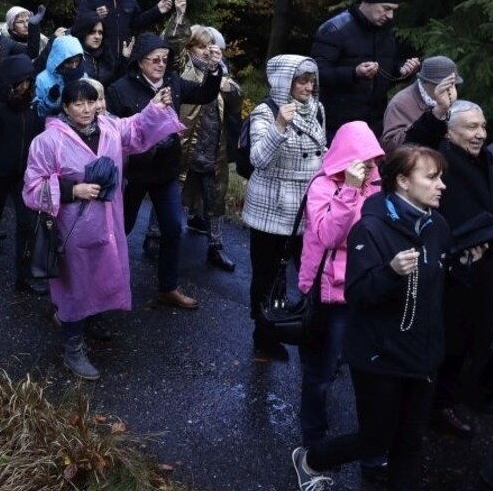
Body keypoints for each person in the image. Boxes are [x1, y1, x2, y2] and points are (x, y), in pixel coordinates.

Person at [291, 145, 485, 491]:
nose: (442, 185)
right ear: (401, 181)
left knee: (410, 441)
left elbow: (438, 283)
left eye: (440, 177)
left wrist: (464, 265)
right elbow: (358, 293)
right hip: (378, 356)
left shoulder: (436, 225)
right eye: (432, 177)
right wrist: (391, 272)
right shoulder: (372, 228)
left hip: (423, 356)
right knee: (375, 440)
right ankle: (311, 459)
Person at [24, 80, 185, 380]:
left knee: (101, 274)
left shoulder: (109, 128)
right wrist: (74, 190)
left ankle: (93, 320)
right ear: (66, 107)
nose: (86, 109)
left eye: (91, 101)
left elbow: (136, 129)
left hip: (108, 222)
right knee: (74, 286)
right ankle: (73, 346)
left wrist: (155, 107)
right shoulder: (48, 142)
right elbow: (33, 188)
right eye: (78, 104)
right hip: (72, 228)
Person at [106, 33, 222, 310]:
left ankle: (167, 287)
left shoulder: (172, 82)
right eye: (155, 60)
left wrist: (214, 70)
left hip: (166, 170)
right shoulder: (120, 89)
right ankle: (107, 285)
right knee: (120, 229)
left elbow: (205, 94)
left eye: (165, 59)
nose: (161, 64)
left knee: (173, 228)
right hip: (134, 172)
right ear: (140, 61)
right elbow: (112, 133)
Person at [403, 91, 493, 439]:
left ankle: (452, 399)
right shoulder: (439, 161)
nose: (480, 133)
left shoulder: (484, 159)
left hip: (484, 269)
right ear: (449, 131)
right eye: (471, 127)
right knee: (447, 342)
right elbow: (410, 150)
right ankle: (429, 408)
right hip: (451, 267)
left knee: (474, 339)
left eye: (483, 126)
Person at [296, 120, 384, 451]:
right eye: (364, 159)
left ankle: (371, 448)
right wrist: (349, 190)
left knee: (361, 372)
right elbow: (332, 235)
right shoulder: (322, 186)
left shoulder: (377, 188)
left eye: (374, 159)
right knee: (320, 374)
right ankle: (313, 441)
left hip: (363, 292)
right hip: (327, 295)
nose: (371, 166)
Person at [242, 54, 327, 361]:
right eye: (301, 80)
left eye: (311, 80)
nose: (308, 86)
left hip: (308, 205)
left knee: (307, 272)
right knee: (268, 275)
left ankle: (302, 327)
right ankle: (264, 335)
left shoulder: (317, 108)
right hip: (272, 206)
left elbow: (321, 149)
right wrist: (279, 126)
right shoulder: (266, 111)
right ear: (285, 82)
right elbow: (259, 160)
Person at [311, 0, 420, 140]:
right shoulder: (335, 29)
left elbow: (384, 76)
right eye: (386, 8)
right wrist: (354, 73)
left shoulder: (385, 32)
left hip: (373, 125)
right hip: (336, 125)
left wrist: (401, 71)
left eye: (393, 10)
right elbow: (315, 73)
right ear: (369, 2)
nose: (390, 15)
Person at [0, 54, 45, 294]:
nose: (25, 87)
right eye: (20, 82)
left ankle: (23, 276)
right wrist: (2, 102)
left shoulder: (32, 105)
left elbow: (39, 135)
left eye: (28, 81)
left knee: (26, 223)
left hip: (22, 174)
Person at [177, 26, 240, 270]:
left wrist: (229, 88)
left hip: (212, 148)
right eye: (201, 47)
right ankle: (154, 234)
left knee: (215, 198)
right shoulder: (183, 69)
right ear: (190, 47)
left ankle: (216, 245)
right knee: (174, 192)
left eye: (210, 48)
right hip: (185, 146)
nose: (206, 52)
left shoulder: (221, 72)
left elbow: (236, 102)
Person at [75, 0, 173, 75]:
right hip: (99, 60)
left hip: (124, 59)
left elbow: (136, 23)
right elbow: (78, 26)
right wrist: (94, 17)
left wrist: (157, 10)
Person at [381, 55, 462, 153]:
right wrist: (431, 117)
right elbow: (389, 146)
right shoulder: (401, 103)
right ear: (425, 82)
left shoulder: (451, 96)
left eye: (452, 85)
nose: (448, 90)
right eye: (440, 85)